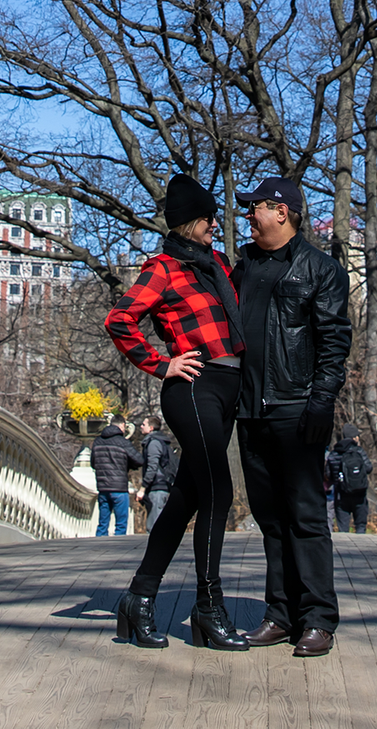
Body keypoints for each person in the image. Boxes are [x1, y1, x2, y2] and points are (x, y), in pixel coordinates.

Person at [102, 173, 251, 652]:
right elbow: (119, 318)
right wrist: (161, 363)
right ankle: (209, 607)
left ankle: (140, 598)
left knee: (188, 495)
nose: (215, 227)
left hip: (230, 387)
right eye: (209, 220)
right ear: (193, 222)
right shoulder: (163, 268)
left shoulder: (220, 266)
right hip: (192, 386)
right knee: (219, 490)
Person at [230, 175, 353, 658]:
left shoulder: (320, 269)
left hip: (297, 408)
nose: (248, 215)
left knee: (304, 516)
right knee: (271, 519)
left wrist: (322, 401)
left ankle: (319, 618)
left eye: (254, 207)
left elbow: (333, 341)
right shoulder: (243, 269)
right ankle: (280, 615)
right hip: (250, 411)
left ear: (281, 211)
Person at [89, 419, 138, 536]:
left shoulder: (98, 441)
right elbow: (138, 460)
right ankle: (118, 548)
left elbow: (93, 463)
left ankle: (99, 546)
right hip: (119, 487)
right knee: (121, 524)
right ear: (122, 425)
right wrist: (127, 464)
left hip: (103, 487)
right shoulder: (123, 442)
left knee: (102, 523)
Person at [139, 415, 180, 529]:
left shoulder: (153, 443)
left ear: (151, 428)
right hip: (162, 487)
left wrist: (143, 488)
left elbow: (152, 467)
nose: (141, 427)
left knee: (154, 526)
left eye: (144, 424)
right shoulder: (162, 441)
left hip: (157, 488)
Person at [327, 432, 371, 535]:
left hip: (341, 495)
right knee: (360, 525)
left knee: (343, 529)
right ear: (354, 437)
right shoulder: (359, 451)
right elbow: (369, 468)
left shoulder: (334, 453)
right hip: (359, 493)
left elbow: (329, 475)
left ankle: (345, 550)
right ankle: (361, 548)